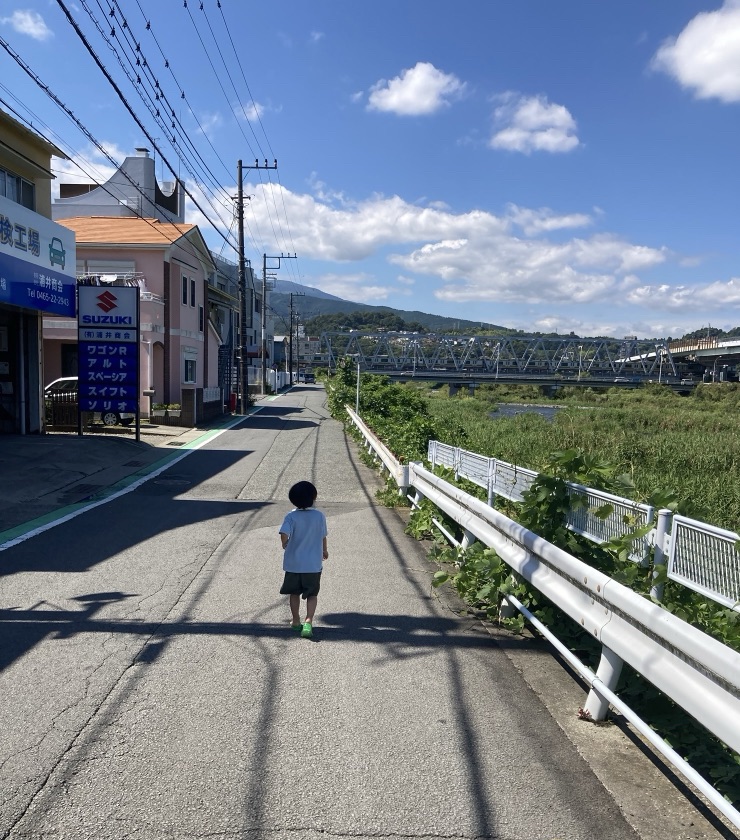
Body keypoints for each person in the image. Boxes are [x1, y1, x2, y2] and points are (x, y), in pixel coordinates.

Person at [278, 480, 328, 638]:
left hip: (293, 563)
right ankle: (308, 621)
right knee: (312, 594)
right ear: (313, 497)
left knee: (294, 593)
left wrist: (285, 544)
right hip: (313, 564)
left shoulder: (291, 516)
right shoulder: (319, 516)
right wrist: (324, 551)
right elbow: (322, 536)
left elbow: (283, 533)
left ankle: (295, 620)